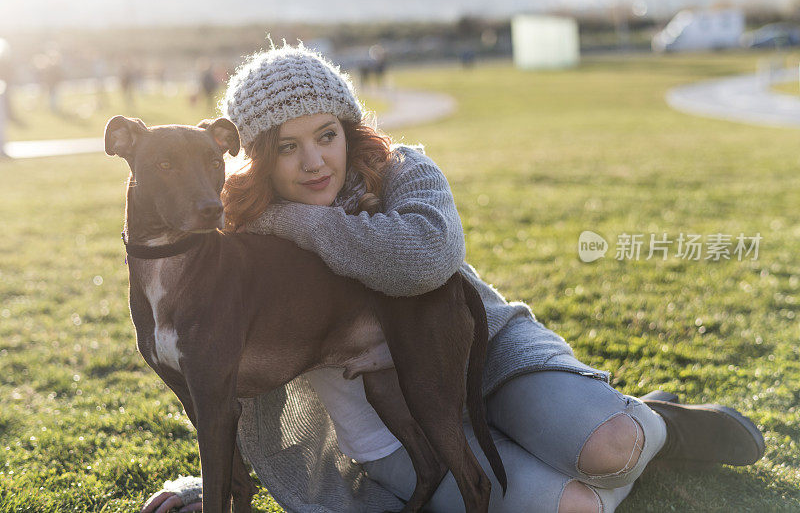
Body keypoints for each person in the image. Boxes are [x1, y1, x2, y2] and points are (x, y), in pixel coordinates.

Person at [140, 44, 765, 513]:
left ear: (348, 129)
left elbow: (420, 263)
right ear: (254, 155)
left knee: (611, 449)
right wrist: (209, 481)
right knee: (575, 506)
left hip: (492, 367)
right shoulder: (239, 239)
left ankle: (665, 423)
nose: (313, 161)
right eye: (285, 146)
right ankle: (552, 450)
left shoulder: (404, 171)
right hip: (387, 436)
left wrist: (298, 221)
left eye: (326, 135)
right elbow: (224, 373)